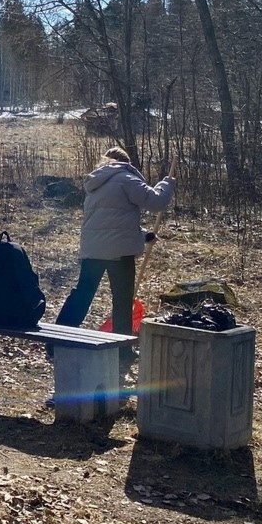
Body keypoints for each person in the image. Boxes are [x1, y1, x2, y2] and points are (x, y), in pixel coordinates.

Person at [56, 146, 175, 363]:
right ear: (126, 163)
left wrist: (143, 235)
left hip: (93, 249)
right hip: (119, 253)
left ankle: (57, 340)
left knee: (82, 295)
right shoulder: (126, 178)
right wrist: (167, 184)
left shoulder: (96, 183)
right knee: (122, 302)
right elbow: (156, 201)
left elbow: (111, 223)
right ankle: (122, 352)